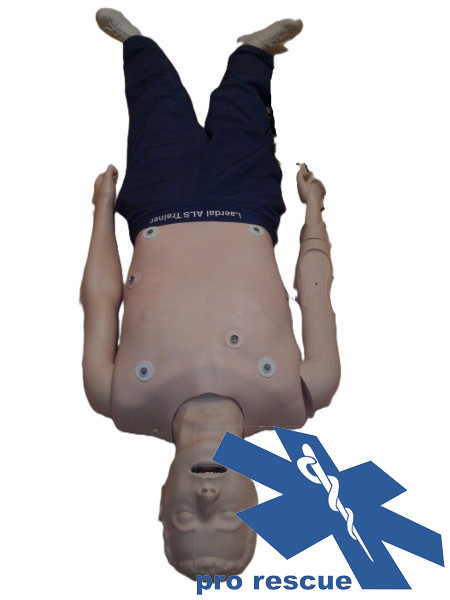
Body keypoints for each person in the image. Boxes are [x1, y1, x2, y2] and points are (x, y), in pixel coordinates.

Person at [80, 8, 340, 580]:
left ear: (161, 503)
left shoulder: (116, 397)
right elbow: (315, 291)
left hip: (158, 206)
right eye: (226, 520)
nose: (205, 501)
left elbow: (100, 298)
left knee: (156, 108)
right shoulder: (301, 394)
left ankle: (138, 46)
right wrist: (314, 212)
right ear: (257, 502)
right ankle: (255, 53)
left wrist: (102, 211)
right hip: (246, 205)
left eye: (184, 518)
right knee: (243, 112)